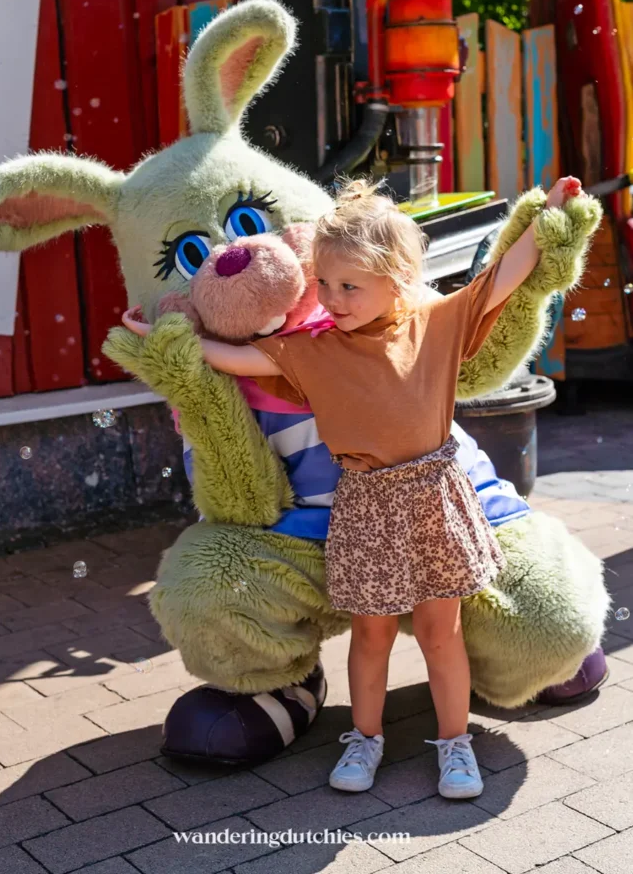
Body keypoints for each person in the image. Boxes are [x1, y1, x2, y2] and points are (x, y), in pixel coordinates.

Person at [160, 174, 588, 799]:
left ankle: (455, 745)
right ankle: (364, 739)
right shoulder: (315, 350)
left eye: (349, 286)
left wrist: (548, 211)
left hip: (436, 500)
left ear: (398, 278)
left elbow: (503, 278)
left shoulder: (437, 322)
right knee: (372, 634)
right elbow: (241, 359)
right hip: (364, 506)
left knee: (441, 634)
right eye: (325, 283)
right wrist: (173, 343)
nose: (332, 299)